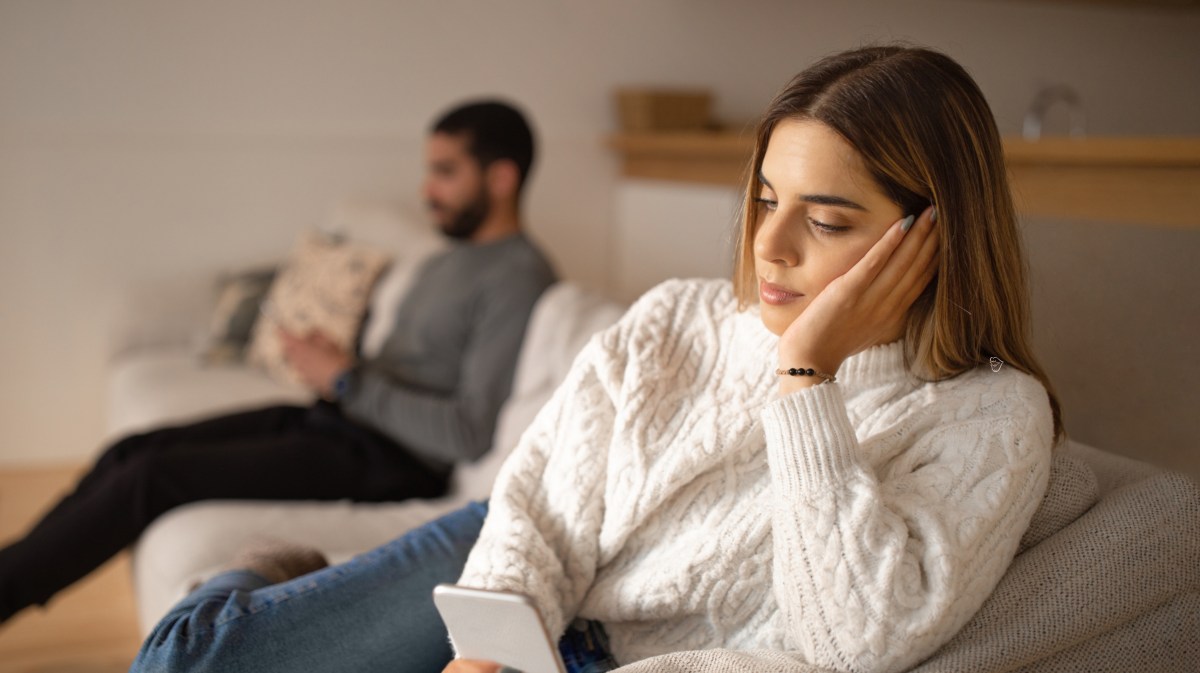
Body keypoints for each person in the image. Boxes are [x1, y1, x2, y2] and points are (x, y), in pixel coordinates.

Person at [130, 45, 1064, 673]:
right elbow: (542, 500)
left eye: (824, 220)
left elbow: (852, 639)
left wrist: (806, 381)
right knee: (190, 658)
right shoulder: (676, 318)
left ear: (935, 237)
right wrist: (488, 643)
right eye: (765, 199)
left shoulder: (994, 414)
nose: (770, 246)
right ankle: (264, 570)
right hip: (519, 567)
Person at [0, 100, 557, 625]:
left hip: (386, 456)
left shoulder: (516, 277)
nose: (426, 190)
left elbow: (465, 432)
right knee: (131, 449)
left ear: (501, 178)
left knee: (150, 478)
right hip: (340, 416)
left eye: (445, 172)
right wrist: (338, 365)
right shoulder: (448, 258)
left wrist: (344, 378)